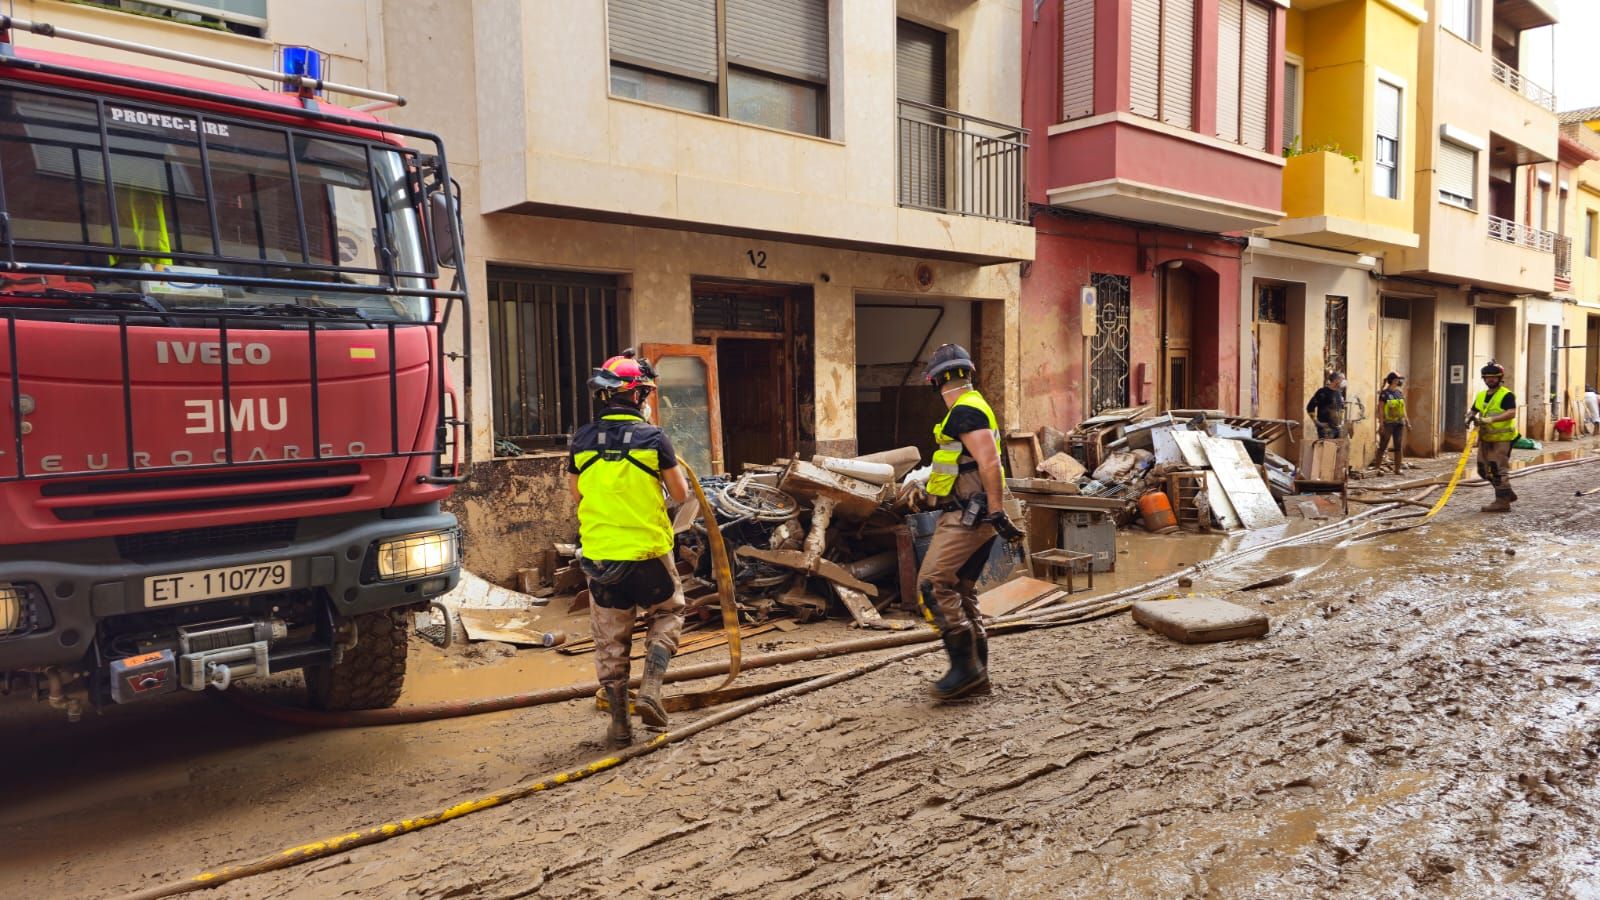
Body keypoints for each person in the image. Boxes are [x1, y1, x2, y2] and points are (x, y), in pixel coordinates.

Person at [568, 349, 691, 746]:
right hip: (649, 552)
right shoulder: (654, 438)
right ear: (638, 397)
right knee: (669, 612)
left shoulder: (582, 440)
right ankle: (652, 688)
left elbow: (577, 495)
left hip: (601, 556)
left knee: (610, 638)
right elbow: (681, 493)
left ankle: (619, 723)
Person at [913, 344, 1024, 700]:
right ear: (968, 373)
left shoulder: (965, 411)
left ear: (935, 382)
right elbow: (968, 464)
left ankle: (965, 671)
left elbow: (989, 463)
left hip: (969, 515)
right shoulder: (972, 408)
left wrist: (994, 509)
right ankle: (977, 673)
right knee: (960, 589)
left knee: (932, 585)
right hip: (972, 511)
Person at [1468, 361, 1518, 513]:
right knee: (1483, 470)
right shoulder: (1481, 395)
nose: (1490, 380)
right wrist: (1468, 417)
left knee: (1497, 469)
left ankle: (1502, 502)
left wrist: (1490, 420)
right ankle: (1506, 492)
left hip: (1502, 439)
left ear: (1499, 378)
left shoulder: (1506, 395)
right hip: (1485, 438)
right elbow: (1474, 410)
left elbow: (1511, 412)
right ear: (1483, 378)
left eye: (1493, 377)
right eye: (1487, 377)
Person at [1374, 372, 1408, 474]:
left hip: (1399, 423)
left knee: (1398, 445)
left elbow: (1403, 408)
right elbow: (1380, 409)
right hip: (1388, 423)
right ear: (1393, 380)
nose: (1399, 381)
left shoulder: (1399, 393)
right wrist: (1381, 423)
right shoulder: (1384, 394)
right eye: (1398, 379)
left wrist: (1407, 421)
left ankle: (1397, 469)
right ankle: (1377, 468)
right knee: (1383, 445)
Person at [1306, 372, 1347, 439]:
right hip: (1326, 430)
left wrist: (1341, 423)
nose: (1344, 381)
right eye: (1343, 379)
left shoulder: (1338, 393)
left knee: (1339, 448)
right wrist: (1317, 422)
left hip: (1338, 429)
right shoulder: (1322, 392)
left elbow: (1340, 409)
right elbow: (1310, 407)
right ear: (1336, 380)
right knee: (1326, 448)